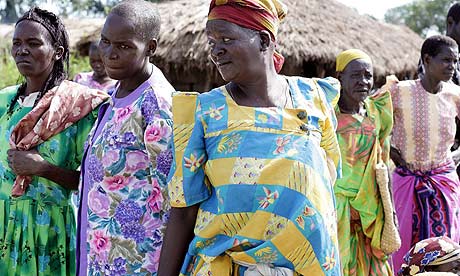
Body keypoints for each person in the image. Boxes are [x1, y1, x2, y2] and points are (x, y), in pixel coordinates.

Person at [158, 0, 342, 275]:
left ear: (264, 40)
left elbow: (327, 185)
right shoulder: (205, 112)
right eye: (211, 42)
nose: (215, 50)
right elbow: (184, 210)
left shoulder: (314, 99)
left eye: (226, 38)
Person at [0, 7, 108, 275]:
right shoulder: (4, 102)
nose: (22, 50)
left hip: (51, 230)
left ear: (57, 52)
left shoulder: (81, 108)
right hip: (4, 228)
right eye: (17, 44)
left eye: (33, 43)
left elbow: (98, 181)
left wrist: (43, 169)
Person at [75, 0, 174, 275]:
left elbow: (175, 203)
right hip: (99, 257)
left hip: (137, 264)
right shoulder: (117, 94)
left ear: (150, 48)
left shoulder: (156, 105)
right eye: (105, 42)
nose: (109, 53)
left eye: (124, 46)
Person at [387, 35, 460, 272]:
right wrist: (390, 150)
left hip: (442, 181)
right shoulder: (399, 92)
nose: (452, 67)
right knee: (403, 243)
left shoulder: (454, 94)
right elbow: (370, 121)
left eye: (456, 61)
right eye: (446, 60)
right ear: (427, 60)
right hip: (407, 180)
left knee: (445, 247)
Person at [334, 49, 394, 276]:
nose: (364, 82)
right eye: (356, 75)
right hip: (336, 208)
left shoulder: (376, 112)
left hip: (371, 210)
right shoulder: (327, 114)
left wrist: (390, 212)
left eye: (368, 76)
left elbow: (383, 162)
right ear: (340, 78)